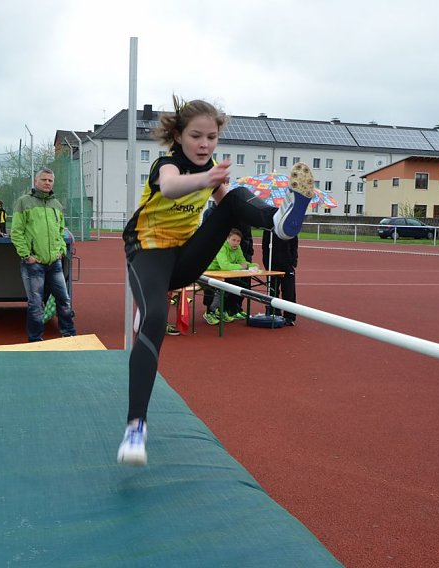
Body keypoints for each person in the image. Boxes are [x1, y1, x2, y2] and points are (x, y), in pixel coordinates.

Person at [117, 96, 314, 465]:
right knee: (155, 319)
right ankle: (135, 428)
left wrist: (219, 184)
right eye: (196, 136)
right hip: (148, 253)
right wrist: (207, 178)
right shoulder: (167, 165)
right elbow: (173, 187)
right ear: (178, 134)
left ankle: (280, 221)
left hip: (186, 257)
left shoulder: (210, 169)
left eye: (211, 137)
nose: (204, 144)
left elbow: (233, 206)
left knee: (233, 196)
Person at [10, 168, 77, 342]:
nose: (47, 183)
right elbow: (16, 231)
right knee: (36, 304)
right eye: (44, 179)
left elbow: (61, 229)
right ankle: (35, 339)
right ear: (36, 181)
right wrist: (27, 256)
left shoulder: (56, 204)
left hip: (54, 262)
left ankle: (69, 335)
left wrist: (61, 250)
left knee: (64, 300)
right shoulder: (24, 202)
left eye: (50, 180)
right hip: (34, 263)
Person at [204, 227, 257, 324]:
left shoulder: (238, 248)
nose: (236, 243)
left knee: (243, 287)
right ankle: (209, 312)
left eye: (238, 241)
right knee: (216, 288)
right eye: (233, 240)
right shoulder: (221, 247)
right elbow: (225, 265)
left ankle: (224, 310)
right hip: (209, 273)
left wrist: (253, 266)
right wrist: (241, 266)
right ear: (227, 239)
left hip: (224, 274)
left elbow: (242, 261)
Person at [262, 230, 299, 325]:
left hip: (287, 264)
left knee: (289, 291)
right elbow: (265, 246)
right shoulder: (268, 228)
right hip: (272, 265)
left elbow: (294, 244)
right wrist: (267, 263)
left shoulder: (289, 226)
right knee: (272, 290)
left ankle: (289, 316)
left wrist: (293, 261)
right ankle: (274, 313)